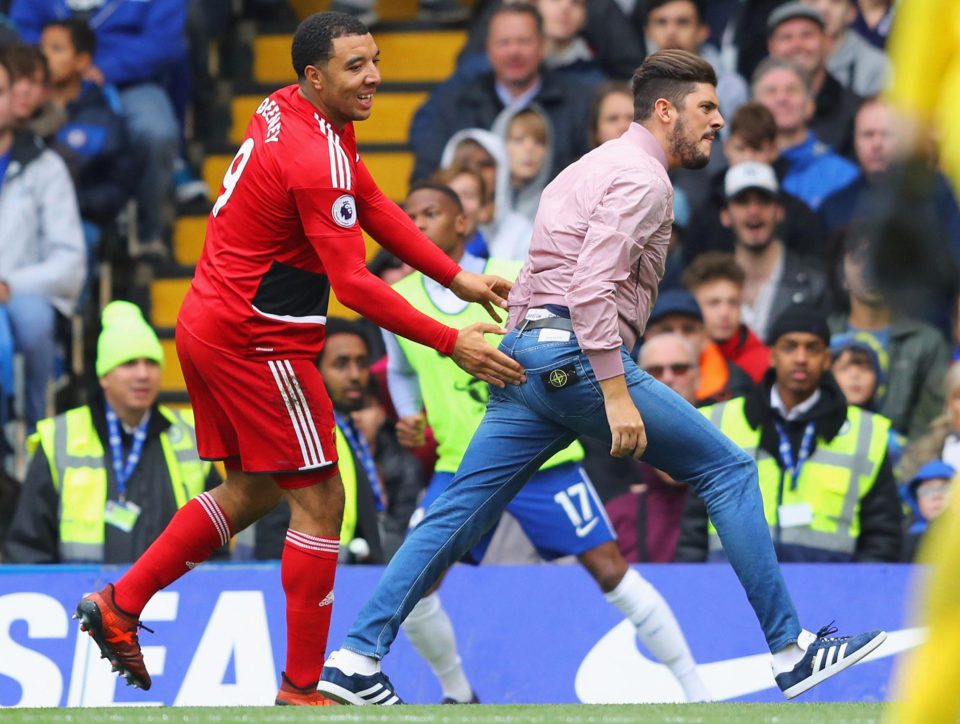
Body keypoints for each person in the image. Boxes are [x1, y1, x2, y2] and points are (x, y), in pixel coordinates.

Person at [317, 49, 886, 706]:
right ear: (665, 110)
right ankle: (790, 651)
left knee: (452, 514)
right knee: (728, 468)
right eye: (707, 107)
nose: (720, 121)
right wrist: (615, 392)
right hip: (578, 357)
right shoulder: (645, 181)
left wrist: (526, 351)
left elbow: (543, 274)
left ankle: (357, 656)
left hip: (529, 355)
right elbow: (591, 289)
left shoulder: (584, 168)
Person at [71, 12, 525, 707]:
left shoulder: (293, 112)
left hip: (211, 319)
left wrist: (454, 277)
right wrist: (449, 337)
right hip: (259, 338)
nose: (373, 75)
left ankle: (120, 603)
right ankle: (302, 688)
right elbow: (351, 284)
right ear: (316, 75)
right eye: (356, 66)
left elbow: (369, 199)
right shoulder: (315, 157)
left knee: (254, 489)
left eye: (375, 60)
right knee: (321, 499)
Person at [386, 181, 710, 703]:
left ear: (463, 222)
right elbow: (402, 369)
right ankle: (458, 695)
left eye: (431, 213)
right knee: (416, 584)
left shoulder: (519, 272)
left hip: (543, 459)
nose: (418, 224)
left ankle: (698, 693)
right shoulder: (398, 300)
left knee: (610, 569)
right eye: (410, 216)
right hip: (461, 465)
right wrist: (407, 414)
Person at [675, 306, 903, 563]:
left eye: (812, 348)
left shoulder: (865, 432)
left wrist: (855, 591)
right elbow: (694, 527)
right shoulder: (720, 422)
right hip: (733, 588)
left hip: (833, 593)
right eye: (790, 347)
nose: (801, 358)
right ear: (771, 355)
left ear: (827, 359)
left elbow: (883, 534)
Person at [4, 301, 222, 563]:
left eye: (151, 363)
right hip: (82, 600)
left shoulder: (189, 435)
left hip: (178, 600)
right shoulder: (58, 438)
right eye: (129, 363)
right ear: (103, 375)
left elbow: (216, 540)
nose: (143, 374)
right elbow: (29, 547)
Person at [12, 0, 188, 259]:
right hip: (52, 80)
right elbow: (22, 26)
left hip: (134, 79)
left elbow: (165, 41)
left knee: (156, 132)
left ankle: (147, 231)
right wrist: (44, 63)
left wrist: (103, 67)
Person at [410, 4, 594, 183]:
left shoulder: (580, 102)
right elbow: (427, 171)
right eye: (504, 42)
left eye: (524, 41)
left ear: (542, 45)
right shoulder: (456, 101)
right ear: (488, 49)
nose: (514, 51)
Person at [0, 47, 85, 431]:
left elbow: (70, 264)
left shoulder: (47, 167)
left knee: (31, 318)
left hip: (18, 295)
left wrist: (9, 285)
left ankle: (30, 431)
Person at [827, 230, 951, 441]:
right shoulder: (820, 335)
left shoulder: (928, 344)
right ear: (841, 275)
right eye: (859, 256)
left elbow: (930, 430)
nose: (870, 268)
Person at [592, 333, 699, 564]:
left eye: (679, 369)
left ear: (698, 377)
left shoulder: (725, 503)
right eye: (655, 371)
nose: (668, 378)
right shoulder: (619, 514)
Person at [683, 102, 828, 263]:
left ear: (774, 151)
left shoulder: (799, 215)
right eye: (741, 149)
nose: (748, 159)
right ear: (727, 147)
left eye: (758, 149)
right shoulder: (706, 213)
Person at [721, 161, 831, 343]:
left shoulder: (815, 284)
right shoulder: (710, 284)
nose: (753, 211)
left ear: (779, 212)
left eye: (763, 201)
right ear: (725, 215)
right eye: (742, 201)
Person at [751, 57, 860, 211]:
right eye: (771, 91)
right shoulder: (738, 170)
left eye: (792, 90)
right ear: (753, 107)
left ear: (810, 105)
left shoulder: (842, 175)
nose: (782, 98)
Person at [766, 2, 861, 158]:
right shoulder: (757, 109)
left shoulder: (855, 112)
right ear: (770, 47)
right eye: (786, 37)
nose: (797, 45)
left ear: (827, 43)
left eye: (807, 35)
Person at [644, 288, 754, 405]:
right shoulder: (623, 380)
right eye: (666, 330)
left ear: (704, 336)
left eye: (688, 329)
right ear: (647, 336)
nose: (678, 337)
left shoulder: (737, 385)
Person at [682, 252, 770, 383]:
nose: (725, 313)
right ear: (692, 305)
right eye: (714, 303)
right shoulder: (676, 360)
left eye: (733, 302)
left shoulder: (762, 363)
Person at [801, 0, 889, 98]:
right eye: (813, 1)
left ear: (851, 13)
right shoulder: (785, 56)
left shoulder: (876, 66)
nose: (823, 8)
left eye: (835, 2)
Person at [900, 460, 954, 562]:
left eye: (945, 489)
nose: (936, 495)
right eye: (927, 491)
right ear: (916, 499)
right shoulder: (900, 535)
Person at [587, 81, 634, 149]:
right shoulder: (583, 160)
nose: (623, 126)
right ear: (596, 132)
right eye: (613, 119)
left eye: (630, 118)